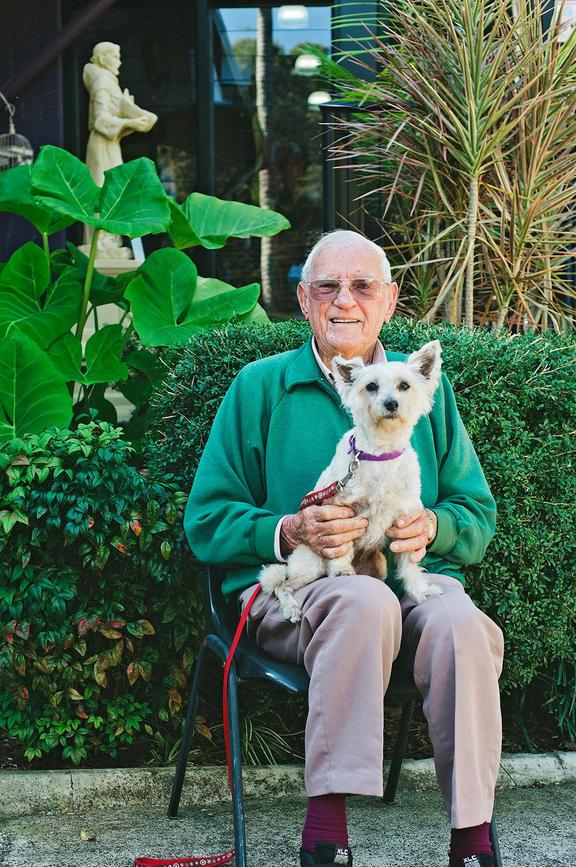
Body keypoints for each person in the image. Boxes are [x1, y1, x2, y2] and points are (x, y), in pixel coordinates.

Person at [184, 229, 504, 867]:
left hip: (407, 584)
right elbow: (206, 520)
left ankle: (473, 841)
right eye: (326, 287)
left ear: (388, 301)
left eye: (362, 287)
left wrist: (433, 529)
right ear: (303, 300)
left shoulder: (417, 390)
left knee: (462, 626)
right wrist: (288, 530)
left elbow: (477, 513)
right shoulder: (259, 388)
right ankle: (327, 837)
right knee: (360, 602)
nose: (344, 302)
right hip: (300, 594)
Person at [81, 41, 157, 259]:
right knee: (102, 187)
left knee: (113, 190)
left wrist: (135, 115)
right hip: (102, 143)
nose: (119, 61)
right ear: (103, 58)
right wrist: (130, 123)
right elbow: (100, 120)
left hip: (111, 144)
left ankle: (110, 241)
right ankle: (101, 242)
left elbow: (124, 111)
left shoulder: (109, 82)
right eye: (115, 56)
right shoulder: (102, 83)